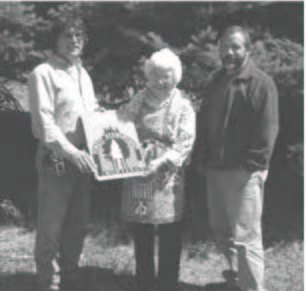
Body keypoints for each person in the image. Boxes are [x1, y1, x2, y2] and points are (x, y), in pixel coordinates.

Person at [195, 26, 279, 291]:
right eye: (224, 48)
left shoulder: (261, 83)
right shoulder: (215, 81)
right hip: (215, 172)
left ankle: (253, 288)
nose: (228, 53)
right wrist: (203, 161)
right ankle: (236, 281)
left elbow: (268, 130)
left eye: (235, 47)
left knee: (246, 239)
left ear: (247, 50)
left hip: (244, 174)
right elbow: (203, 123)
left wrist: (252, 167)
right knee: (223, 233)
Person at [28, 17, 99, 291]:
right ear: (55, 40)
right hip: (56, 158)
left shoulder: (83, 74)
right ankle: (49, 282)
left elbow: (92, 115)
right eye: (67, 35)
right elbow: (44, 125)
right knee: (51, 225)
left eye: (79, 36)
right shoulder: (43, 73)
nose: (74, 40)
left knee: (78, 223)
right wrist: (72, 153)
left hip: (84, 160)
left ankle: (70, 275)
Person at [119, 48, 196, 291]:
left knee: (170, 232)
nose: (162, 81)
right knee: (141, 230)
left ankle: (167, 284)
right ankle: (144, 282)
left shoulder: (183, 105)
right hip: (140, 173)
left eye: (167, 75)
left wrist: (162, 161)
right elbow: (122, 123)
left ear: (177, 76)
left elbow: (185, 142)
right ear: (148, 76)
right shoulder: (139, 99)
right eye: (157, 75)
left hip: (167, 176)